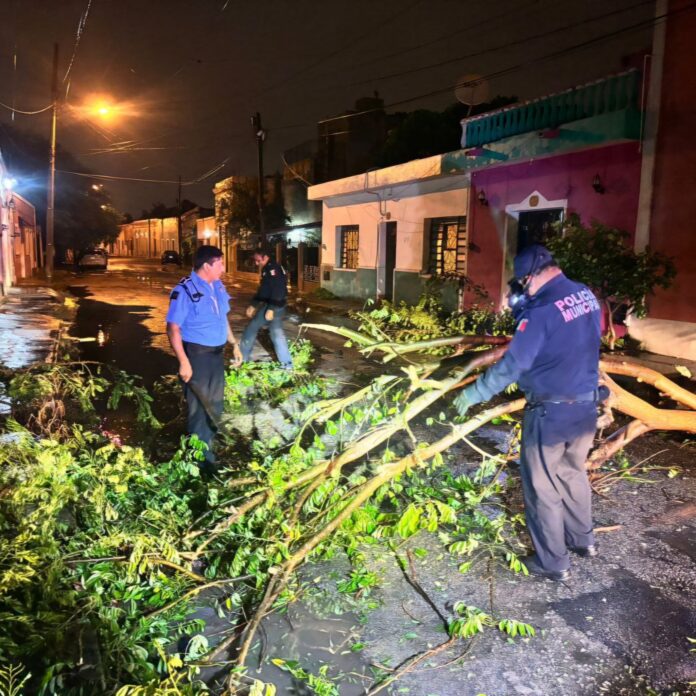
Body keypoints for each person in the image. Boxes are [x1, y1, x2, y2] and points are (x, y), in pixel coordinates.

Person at [454, 244, 602, 581]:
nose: (523, 289)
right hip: (585, 406)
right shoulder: (585, 295)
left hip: (551, 413)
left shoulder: (540, 312)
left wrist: (476, 392)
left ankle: (553, 563)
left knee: (542, 487)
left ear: (532, 275)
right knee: (572, 473)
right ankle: (584, 542)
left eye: (523, 283)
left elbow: (513, 365)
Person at [166, 245, 242, 472]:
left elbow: (223, 318)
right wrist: (183, 361)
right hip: (197, 357)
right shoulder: (184, 290)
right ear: (207, 265)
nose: (223, 267)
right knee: (199, 410)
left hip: (216, 355)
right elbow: (173, 328)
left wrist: (234, 344)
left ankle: (206, 448)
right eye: (220, 263)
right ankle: (200, 464)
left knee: (215, 406)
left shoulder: (217, 286)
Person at [239, 247, 293, 369]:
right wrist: (254, 304)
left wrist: (271, 308)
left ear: (265, 257)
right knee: (273, 333)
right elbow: (264, 290)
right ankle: (287, 365)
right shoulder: (268, 268)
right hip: (273, 305)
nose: (257, 263)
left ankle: (242, 358)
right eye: (255, 261)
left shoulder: (274, 269)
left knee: (258, 330)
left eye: (258, 260)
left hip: (275, 306)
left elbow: (279, 290)